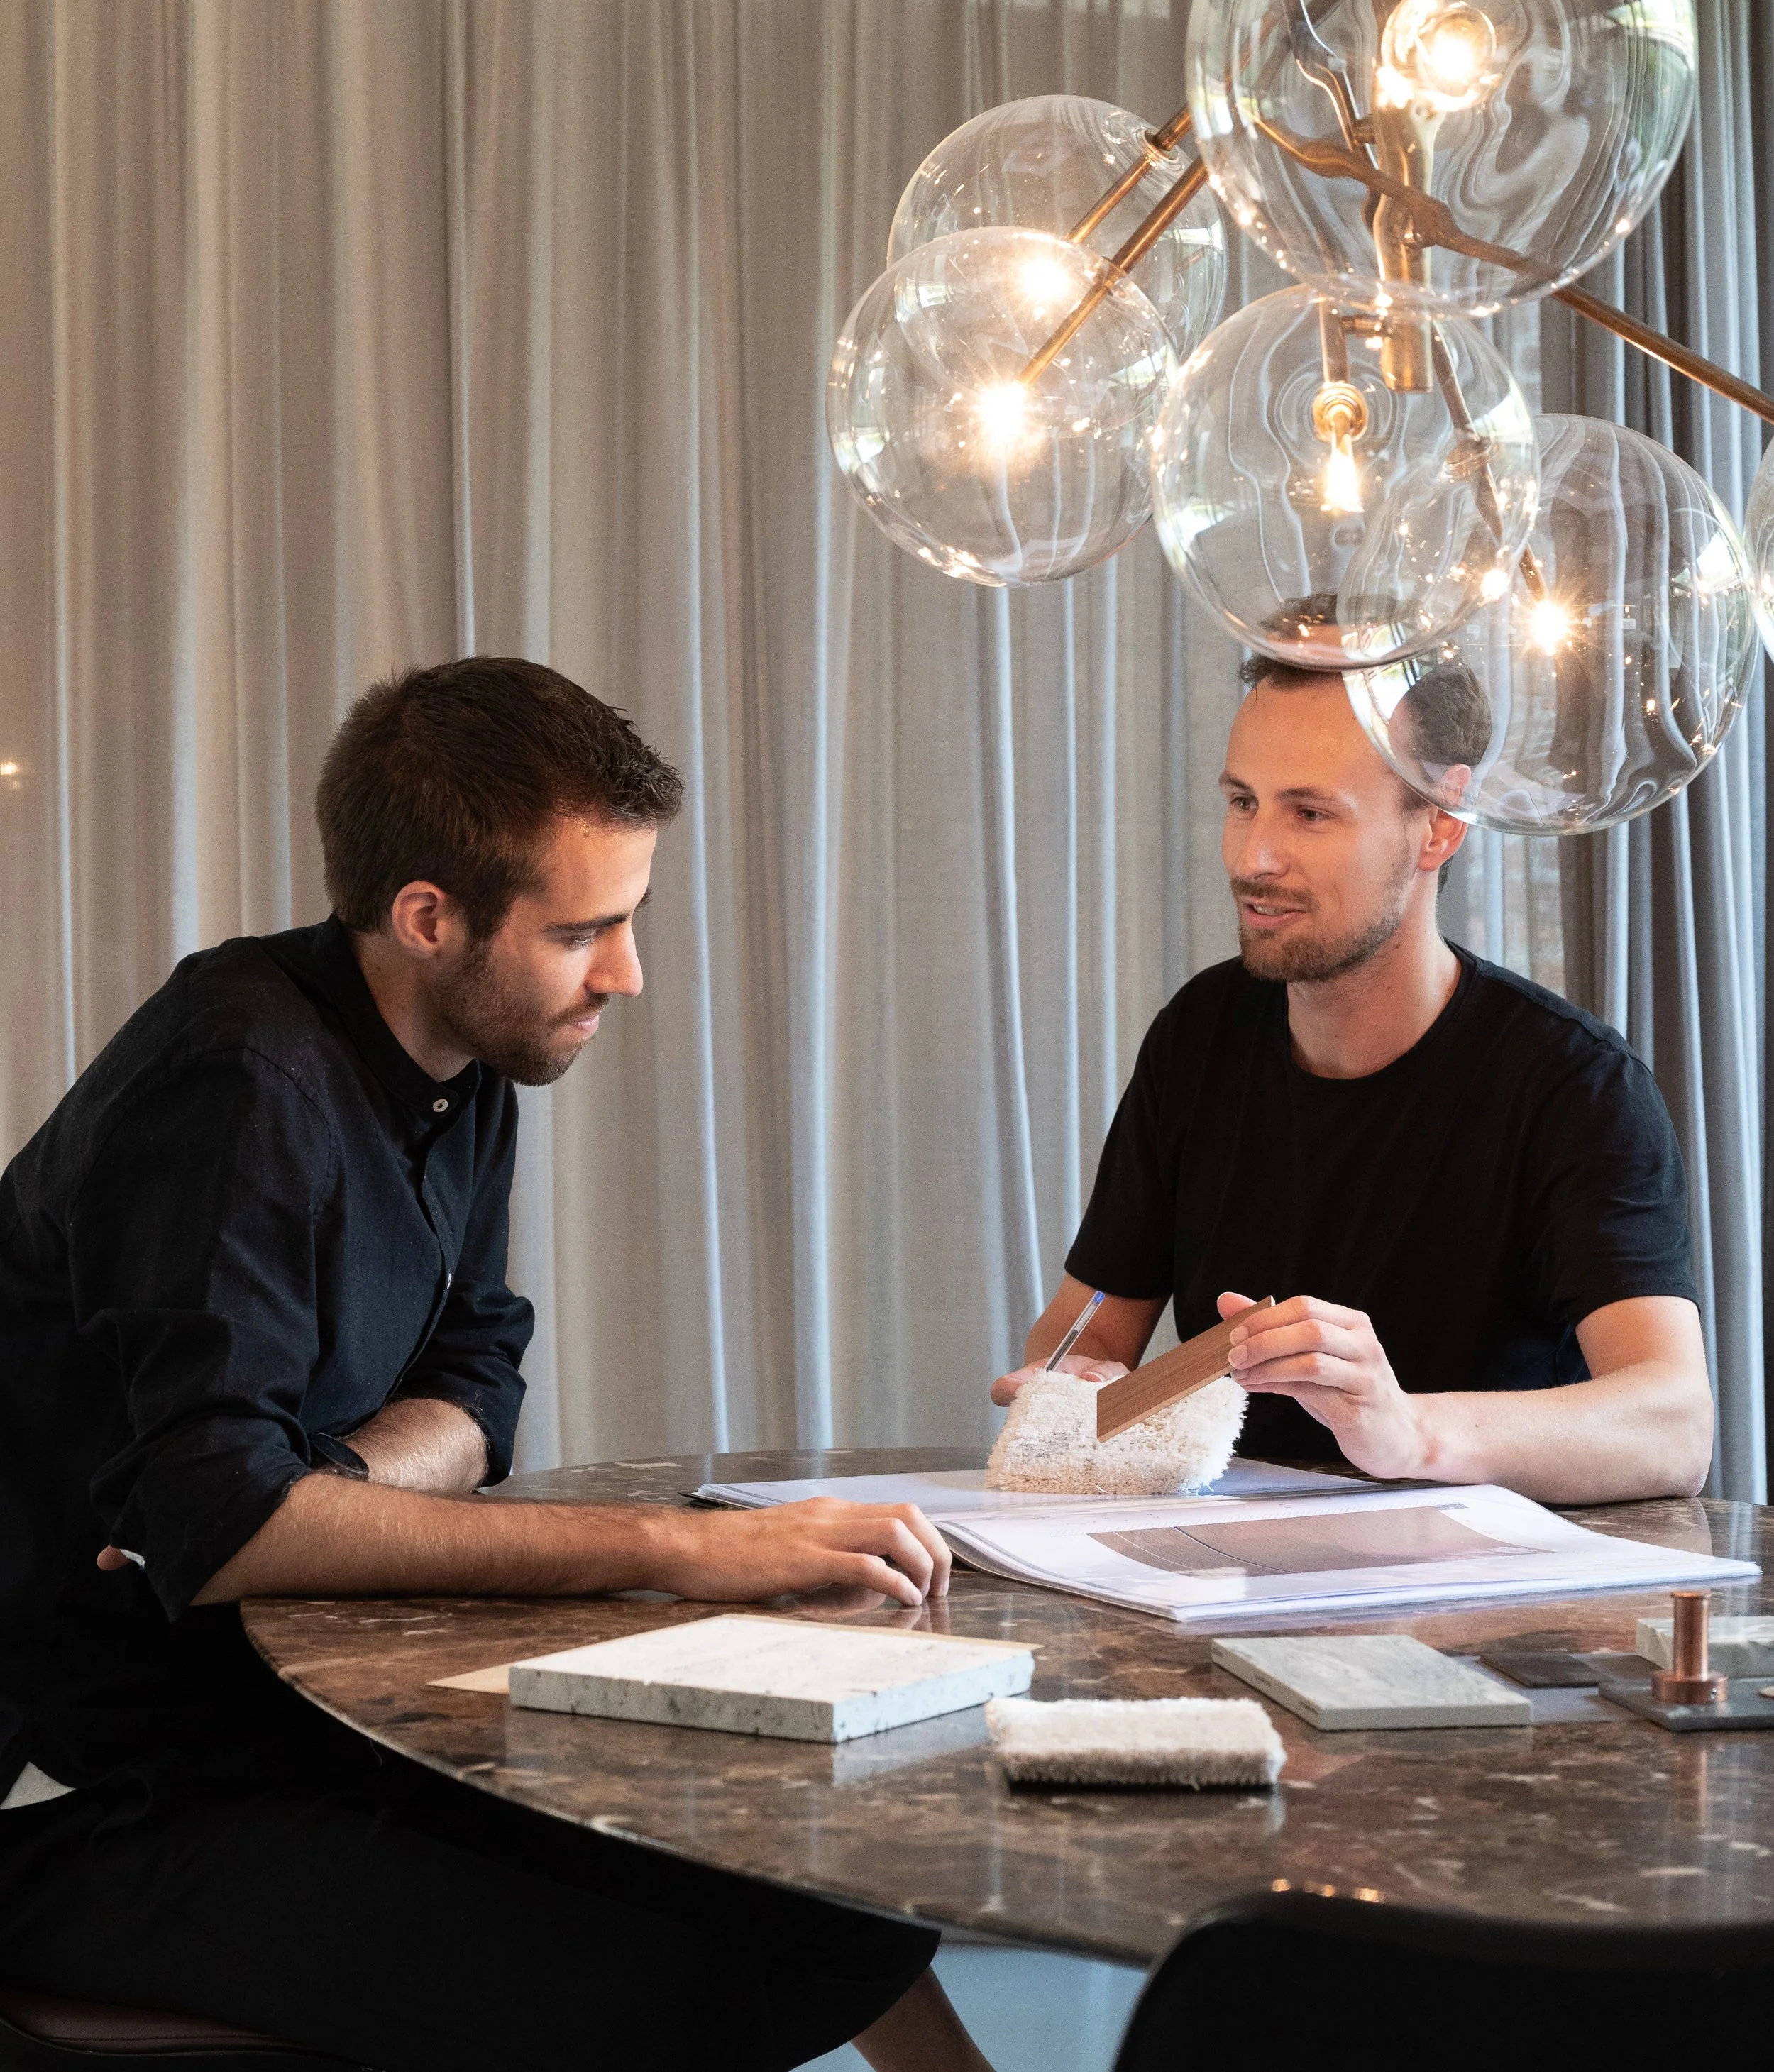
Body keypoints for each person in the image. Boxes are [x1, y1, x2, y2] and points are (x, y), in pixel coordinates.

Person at [0, 658, 984, 2072]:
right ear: (428, 916)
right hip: (114, 1768)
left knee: (841, 1902)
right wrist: (685, 1554)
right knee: (665, 1982)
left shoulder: (467, 1045)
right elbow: (220, 1534)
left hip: (298, 1679)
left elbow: (478, 1372)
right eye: (585, 928)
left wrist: (321, 1486)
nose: (626, 974)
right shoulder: (241, 1082)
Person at [993, 647, 1714, 1505]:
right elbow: (1091, 1325)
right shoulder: (1198, 1035)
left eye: (1309, 813)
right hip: (1224, 1570)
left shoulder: (1575, 1086)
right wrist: (1074, 1391)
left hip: (1484, 1602)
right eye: (1241, 802)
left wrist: (1405, 1427)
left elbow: (1674, 1426)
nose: (1253, 856)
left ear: (1440, 824)